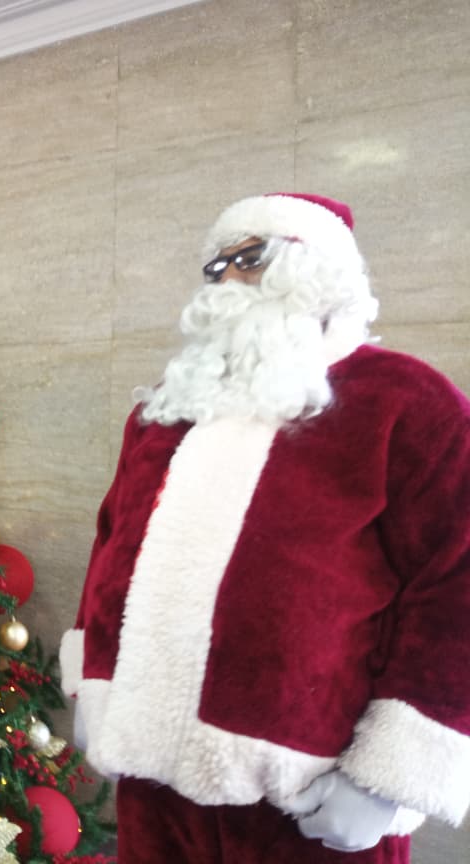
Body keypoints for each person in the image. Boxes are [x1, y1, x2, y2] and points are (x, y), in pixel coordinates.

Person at [59, 193, 470, 864]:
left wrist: (385, 780)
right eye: (214, 264)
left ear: (320, 270)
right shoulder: (167, 412)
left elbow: (456, 589)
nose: (225, 278)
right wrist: (94, 682)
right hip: (153, 784)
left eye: (249, 258)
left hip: (310, 792)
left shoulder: (406, 402)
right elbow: (112, 556)